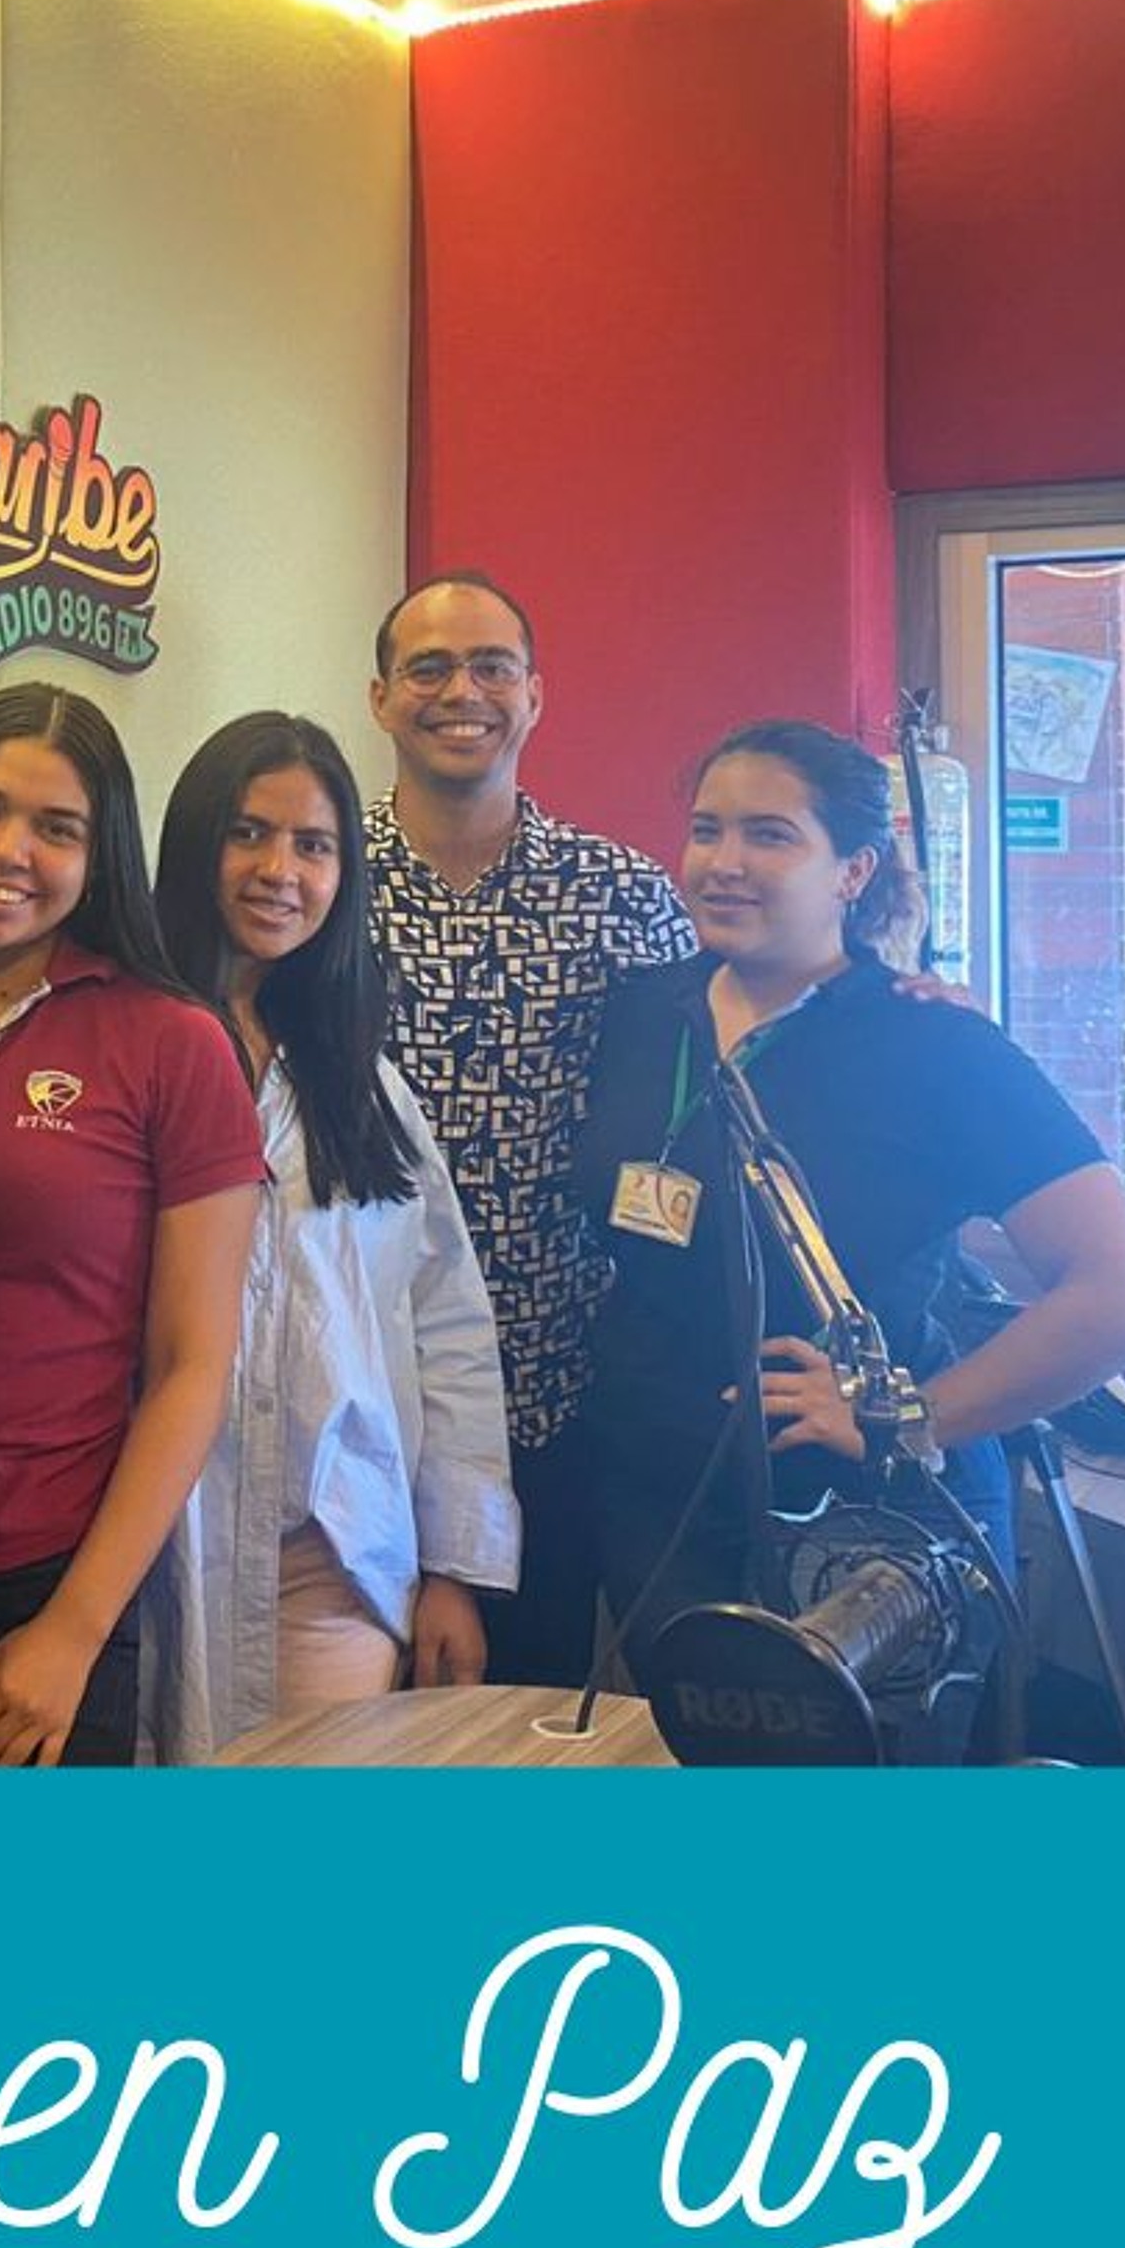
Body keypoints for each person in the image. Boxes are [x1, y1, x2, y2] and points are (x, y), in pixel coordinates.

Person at [575, 717, 1125, 1674]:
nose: (724, 863)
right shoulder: (643, 1012)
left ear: (853, 871)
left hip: (863, 1534)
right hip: (661, 1507)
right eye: (707, 830)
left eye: (770, 835)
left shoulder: (933, 1044)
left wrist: (913, 1417)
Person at [0, 682, 265, 1767]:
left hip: (24, 1592)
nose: (8, 851)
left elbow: (191, 1367)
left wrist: (74, 1631)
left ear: (102, 855)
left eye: (57, 828)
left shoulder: (171, 1041)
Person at [142, 711, 519, 1761]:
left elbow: (446, 1325)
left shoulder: (363, 1087)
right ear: (196, 842)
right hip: (163, 1545)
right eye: (249, 833)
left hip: (339, 1558)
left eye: (314, 846)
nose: (281, 872)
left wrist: (453, 1567)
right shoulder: (129, 1047)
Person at [358, 571, 697, 1687]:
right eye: (429, 668)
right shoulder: (319, 881)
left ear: (535, 695)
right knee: (344, 1730)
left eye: (492, 667)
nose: (463, 692)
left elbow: (711, 1075)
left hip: (558, 1388)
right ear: (380, 698)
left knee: (523, 1713)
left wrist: (886, 970)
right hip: (353, 1381)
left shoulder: (622, 892)